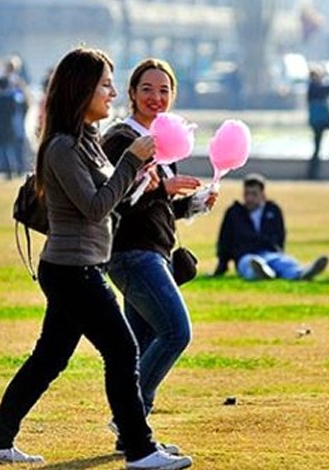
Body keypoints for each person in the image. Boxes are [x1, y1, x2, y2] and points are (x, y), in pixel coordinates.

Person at [0, 47, 192, 469]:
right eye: (105, 85)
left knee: (49, 359)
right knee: (124, 350)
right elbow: (94, 206)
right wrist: (131, 162)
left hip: (81, 264)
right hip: (72, 269)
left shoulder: (87, 140)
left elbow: (114, 203)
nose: (112, 93)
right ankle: (139, 449)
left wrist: (144, 183)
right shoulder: (61, 147)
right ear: (82, 89)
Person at [101, 58, 217, 454]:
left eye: (164, 90)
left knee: (136, 347)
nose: (156, 97)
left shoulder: (167, 142)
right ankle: (129, 419)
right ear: (131, 93)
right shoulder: (121, 139)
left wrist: (195, 203)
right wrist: (161, 191)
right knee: (176, 332)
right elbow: (112, 204)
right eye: (147, 88)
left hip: (156, 251)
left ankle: (133, 437)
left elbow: (159, 208)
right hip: (132, 254)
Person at [214, 173, 329, 281]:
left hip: (270, 252)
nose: (249, 198)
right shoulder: (234, 212)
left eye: (254, 194)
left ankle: (302, 273)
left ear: (263, 194)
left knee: (284, 263)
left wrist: (278, 250)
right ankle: (262, 274)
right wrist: (222, 265)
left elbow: (280, 235)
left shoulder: (273, 210)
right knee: (252, 265)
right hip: (246, 255)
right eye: (247, 194)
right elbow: (224, 240)